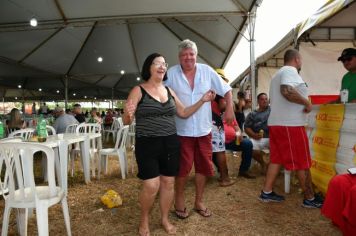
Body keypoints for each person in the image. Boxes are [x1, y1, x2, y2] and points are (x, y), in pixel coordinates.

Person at [123, 53, 215, 236]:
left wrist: (202, 101)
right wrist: (127, 113)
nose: (162, 66)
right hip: (147, 143)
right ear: (148, 67)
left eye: (164, 64)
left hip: (171, 142)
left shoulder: (169, 91)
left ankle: (164, 219)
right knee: (151, 185)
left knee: (168, 183)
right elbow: (126, 121)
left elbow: (183, 112)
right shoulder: (138, 90)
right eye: (157, 63)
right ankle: (144, 220)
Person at [166, 39, 234, 219]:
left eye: (191, 54)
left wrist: (229, 109)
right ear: (179, 57)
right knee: (182, 169)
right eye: (184, 55)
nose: (188, 57)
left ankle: (199, 201)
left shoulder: (207, 71)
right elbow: (159, 93)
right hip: (181, 131)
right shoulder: (171, 73)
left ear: (196, 55)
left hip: (204, 130)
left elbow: (227, 89)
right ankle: (179, 201)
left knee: (203, 167)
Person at [259, 49, 322, 208]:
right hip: (290, 124)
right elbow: (286, 90)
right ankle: (310, 198)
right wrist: (306, 103)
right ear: (297, 59)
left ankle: (266, 192)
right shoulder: (290, 70)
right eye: (301, 60)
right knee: (302, 161)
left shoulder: (277, 74)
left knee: (276, 159)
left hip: (278, 123)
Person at [211, 68, 234, 187]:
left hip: (205, 123)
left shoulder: (208, 88)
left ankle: (212, 174)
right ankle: (225, 178)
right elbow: (223, 105)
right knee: (220, 151)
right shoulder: (219, 90)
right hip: (215, 123)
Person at [244, 93, 270, 173]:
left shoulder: (273, 110)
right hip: (259, 137)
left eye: (266, 99)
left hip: (272, 137)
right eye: (262, 99)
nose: (265, 101)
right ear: (258, 101)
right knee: (249, 147)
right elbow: (246, 127)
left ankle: (273, 167)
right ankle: (263, 164)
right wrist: (254, 135)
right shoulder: (252, 114)